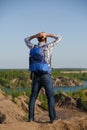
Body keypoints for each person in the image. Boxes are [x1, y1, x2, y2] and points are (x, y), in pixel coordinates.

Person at [24, 32, 62, 123]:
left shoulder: (33, 47)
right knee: (50, 97)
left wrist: (35, 35)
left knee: (33, 97)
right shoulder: (48, 46)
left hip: (36, 76)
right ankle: (52, 119)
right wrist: (47, 34)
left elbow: (26, 39)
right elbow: (59, 37)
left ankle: (31, 118)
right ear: (45, 39)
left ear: (37, 39)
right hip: (46, 76)